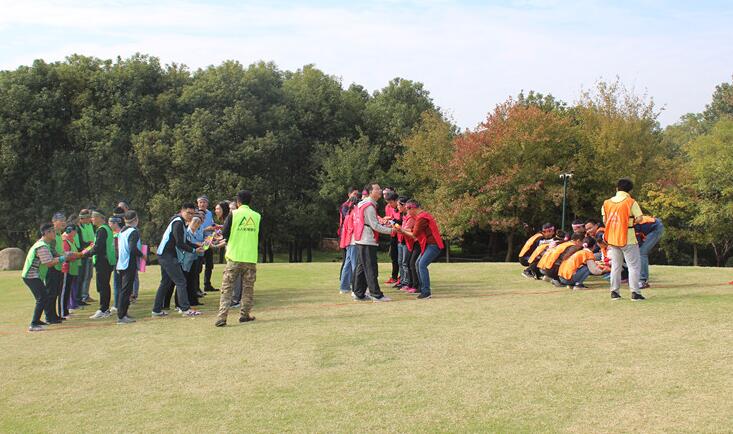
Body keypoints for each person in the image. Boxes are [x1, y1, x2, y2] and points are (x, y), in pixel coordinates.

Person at [215, 190, 261, 327]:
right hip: (250, 257)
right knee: (248, 288)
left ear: (238, 202)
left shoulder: (233, 214)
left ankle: (222, 317)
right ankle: (244, 315)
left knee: (227, 288)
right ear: (250, 201)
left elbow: (224, 234)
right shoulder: (257, 216)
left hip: (234, 257)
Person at [151, 203, 203, 317]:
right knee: (181, 281)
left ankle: (156, 310)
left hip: (165, 255)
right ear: (182, 211)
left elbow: (184, 242)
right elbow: (180, 243)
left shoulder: (181, 223)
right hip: (167, 255)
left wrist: (196, 246)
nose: (190, 216)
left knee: (165, 283)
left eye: (193, 214)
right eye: (188, 213)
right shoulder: (178, 223)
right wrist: (194, 250)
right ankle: (185, 309)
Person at [352, 183, 397, 302]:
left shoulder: (363, 203)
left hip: (361, 238)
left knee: (362, 267)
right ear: (370, 192)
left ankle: (358, 293)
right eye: (377, 189)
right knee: (371, 268)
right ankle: (376, 295)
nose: (380, 190)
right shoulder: (369, 206)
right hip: (367, 239)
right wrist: (391, 231)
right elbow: (374, 225)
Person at [602, 178, 645, 301]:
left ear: (617, 188)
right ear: (630, 190)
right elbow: (640, 218)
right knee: (633, 266)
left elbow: (605, 220)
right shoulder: (630, 202)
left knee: (616, 266)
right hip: (628, 237)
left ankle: (614, 292)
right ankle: (635, 292)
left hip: (612, 237)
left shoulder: (607, 203)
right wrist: (631, 221)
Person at [22, 223, 66, 331]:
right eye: (53, 231)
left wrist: (62, 257)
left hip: (34, 276)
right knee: (42, 298)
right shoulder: (42, 246)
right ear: (46, 233)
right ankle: (33, 324)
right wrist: (62, 258)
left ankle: (37, 321)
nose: (55, 233)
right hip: (31, 276)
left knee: (44, 297)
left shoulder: (44, 244)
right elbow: (49, 263)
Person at [399, 200, 444, 299]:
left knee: (421, 265)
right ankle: (422, 288)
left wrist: (401, 231)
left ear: (413, 208)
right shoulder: (422, 216)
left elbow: (414, 235)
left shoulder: (421, 218)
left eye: (407, 209)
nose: (407, 212)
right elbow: (413, 230)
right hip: (430, 245)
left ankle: (426, 292)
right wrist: (401, 230)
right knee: (417, 264)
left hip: (433, 245)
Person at [84, 211, 117, 319]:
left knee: (103, 286)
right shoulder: (107, 228)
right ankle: (105, 309)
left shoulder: (102, 230)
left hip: (103, 261)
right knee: (104, 285)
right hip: (107, 261)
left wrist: (85, 254)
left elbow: (98, 247)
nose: (91, 219)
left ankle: (103, 309)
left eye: (93, 217)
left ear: (99, 217)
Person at [115, 211, 144, 324]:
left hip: (121, 263)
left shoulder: (122, 231)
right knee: (126, 291)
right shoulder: (133, 231)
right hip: (129, 263)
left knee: (126, 290)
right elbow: (133, 249)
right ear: (135, 219)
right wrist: (142, 255)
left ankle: (124, 313)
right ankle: (121, 316)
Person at [44, 212, 67, 323]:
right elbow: (52, 251)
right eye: (61, 220)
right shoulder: (52, 235)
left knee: (56, 292)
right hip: (52, 266)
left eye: (64, 220)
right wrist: (62, 257)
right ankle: (49, 317)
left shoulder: (58, 234)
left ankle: (54, 315)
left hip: (58, 266)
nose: (64, 223)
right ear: (54, 221)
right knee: (51, 292)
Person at [635, 216, 664, 289]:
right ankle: (641, 279)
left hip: (656, 227)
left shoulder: (633, 224)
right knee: (639, 252)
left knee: (642, 252)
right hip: (651, 227)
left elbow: (638, 239)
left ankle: (643, 281)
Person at [338, 196, 359, 294]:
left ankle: (344, 287)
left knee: (347, 265)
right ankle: (356, 288)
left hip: (348, 242)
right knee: (355, 266)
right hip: (354, 242)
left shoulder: (348, 214)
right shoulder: (354, 214)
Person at [60, 224, 82, 318]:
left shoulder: (70, 240)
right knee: (64, 291)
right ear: (70, 230)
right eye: (75, 231)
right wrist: (79, 255)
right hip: (66, 268)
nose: (76, 233)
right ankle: (63, 312)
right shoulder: (65, 241)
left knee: (68, 290)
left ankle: (66, 310)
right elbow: (67, 255)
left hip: (71, 268)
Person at [381, 190, 402, 285]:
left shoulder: (402, 209)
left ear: (396, 200)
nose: (389, 205)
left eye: (390, 202)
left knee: (401, 259)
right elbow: (395, 223)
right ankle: (395, 277)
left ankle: (403, 278)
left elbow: (400, 222)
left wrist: (392, 220)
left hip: (402, 237)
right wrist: (388, 223)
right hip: (394, 235)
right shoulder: (393, 209)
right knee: (394, 257)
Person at [197, 195, 217, 292]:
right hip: (199, 240)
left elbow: (212, 224)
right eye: (200, 202)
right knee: (198, 265)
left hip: (208, 240)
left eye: (204, 202)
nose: (202, 204)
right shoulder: (196, 213)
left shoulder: (209, 213)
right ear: (198, 204)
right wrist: (206, 229)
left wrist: (214, 228)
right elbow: (195, 228)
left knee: (209, 264)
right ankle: (196, 288)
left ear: (207, 204)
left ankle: (207, 285)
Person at [77, 209, 96, 304]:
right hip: (83, 254)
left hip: (90, 252)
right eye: (88, 218)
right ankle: (83, 296)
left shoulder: (89, 225)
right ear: (82, 218)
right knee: (84, 276)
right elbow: (80, 242)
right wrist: (89, 245)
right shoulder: (78, 228)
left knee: (89, 275)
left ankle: (85, 294)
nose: (90, 219)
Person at [109, 216, 123, 313]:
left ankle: (117, 304)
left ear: (115, 223)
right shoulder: (120, 232)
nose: (109, 225)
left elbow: (117, 248)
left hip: (118, 260)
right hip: (119, 260)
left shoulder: (117, 235)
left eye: (110, 223)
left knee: (117, 283)